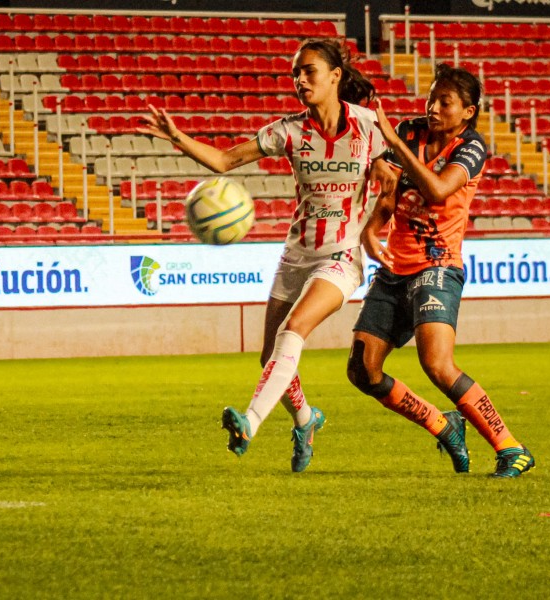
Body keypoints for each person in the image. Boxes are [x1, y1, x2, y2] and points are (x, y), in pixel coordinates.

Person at [139, 38, 393, 472]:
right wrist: (177, 136)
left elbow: (393, 182)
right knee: (269, 355)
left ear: (335, 76)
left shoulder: (372, 127)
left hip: (342, 255)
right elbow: (223, 161)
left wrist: (376, 222)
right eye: (295, 72)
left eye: (308, 70)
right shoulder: (289, 130)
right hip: (296, 255)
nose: (299, 79)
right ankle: (306, 419)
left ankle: (249, 422)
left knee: (293, 331)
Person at [347, 63, 535, 477]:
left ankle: (511, 447)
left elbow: (436, 189)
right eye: (431, 98)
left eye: (444, 102)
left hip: (438, 266)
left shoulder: (472, 147)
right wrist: (370, 232)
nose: (433, 107)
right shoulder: (412, 130)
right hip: (395, 268)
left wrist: (393, 141)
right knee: (362, 370)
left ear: (468, 111)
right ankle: (443, 424)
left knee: (436, 363)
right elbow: (390, 191)